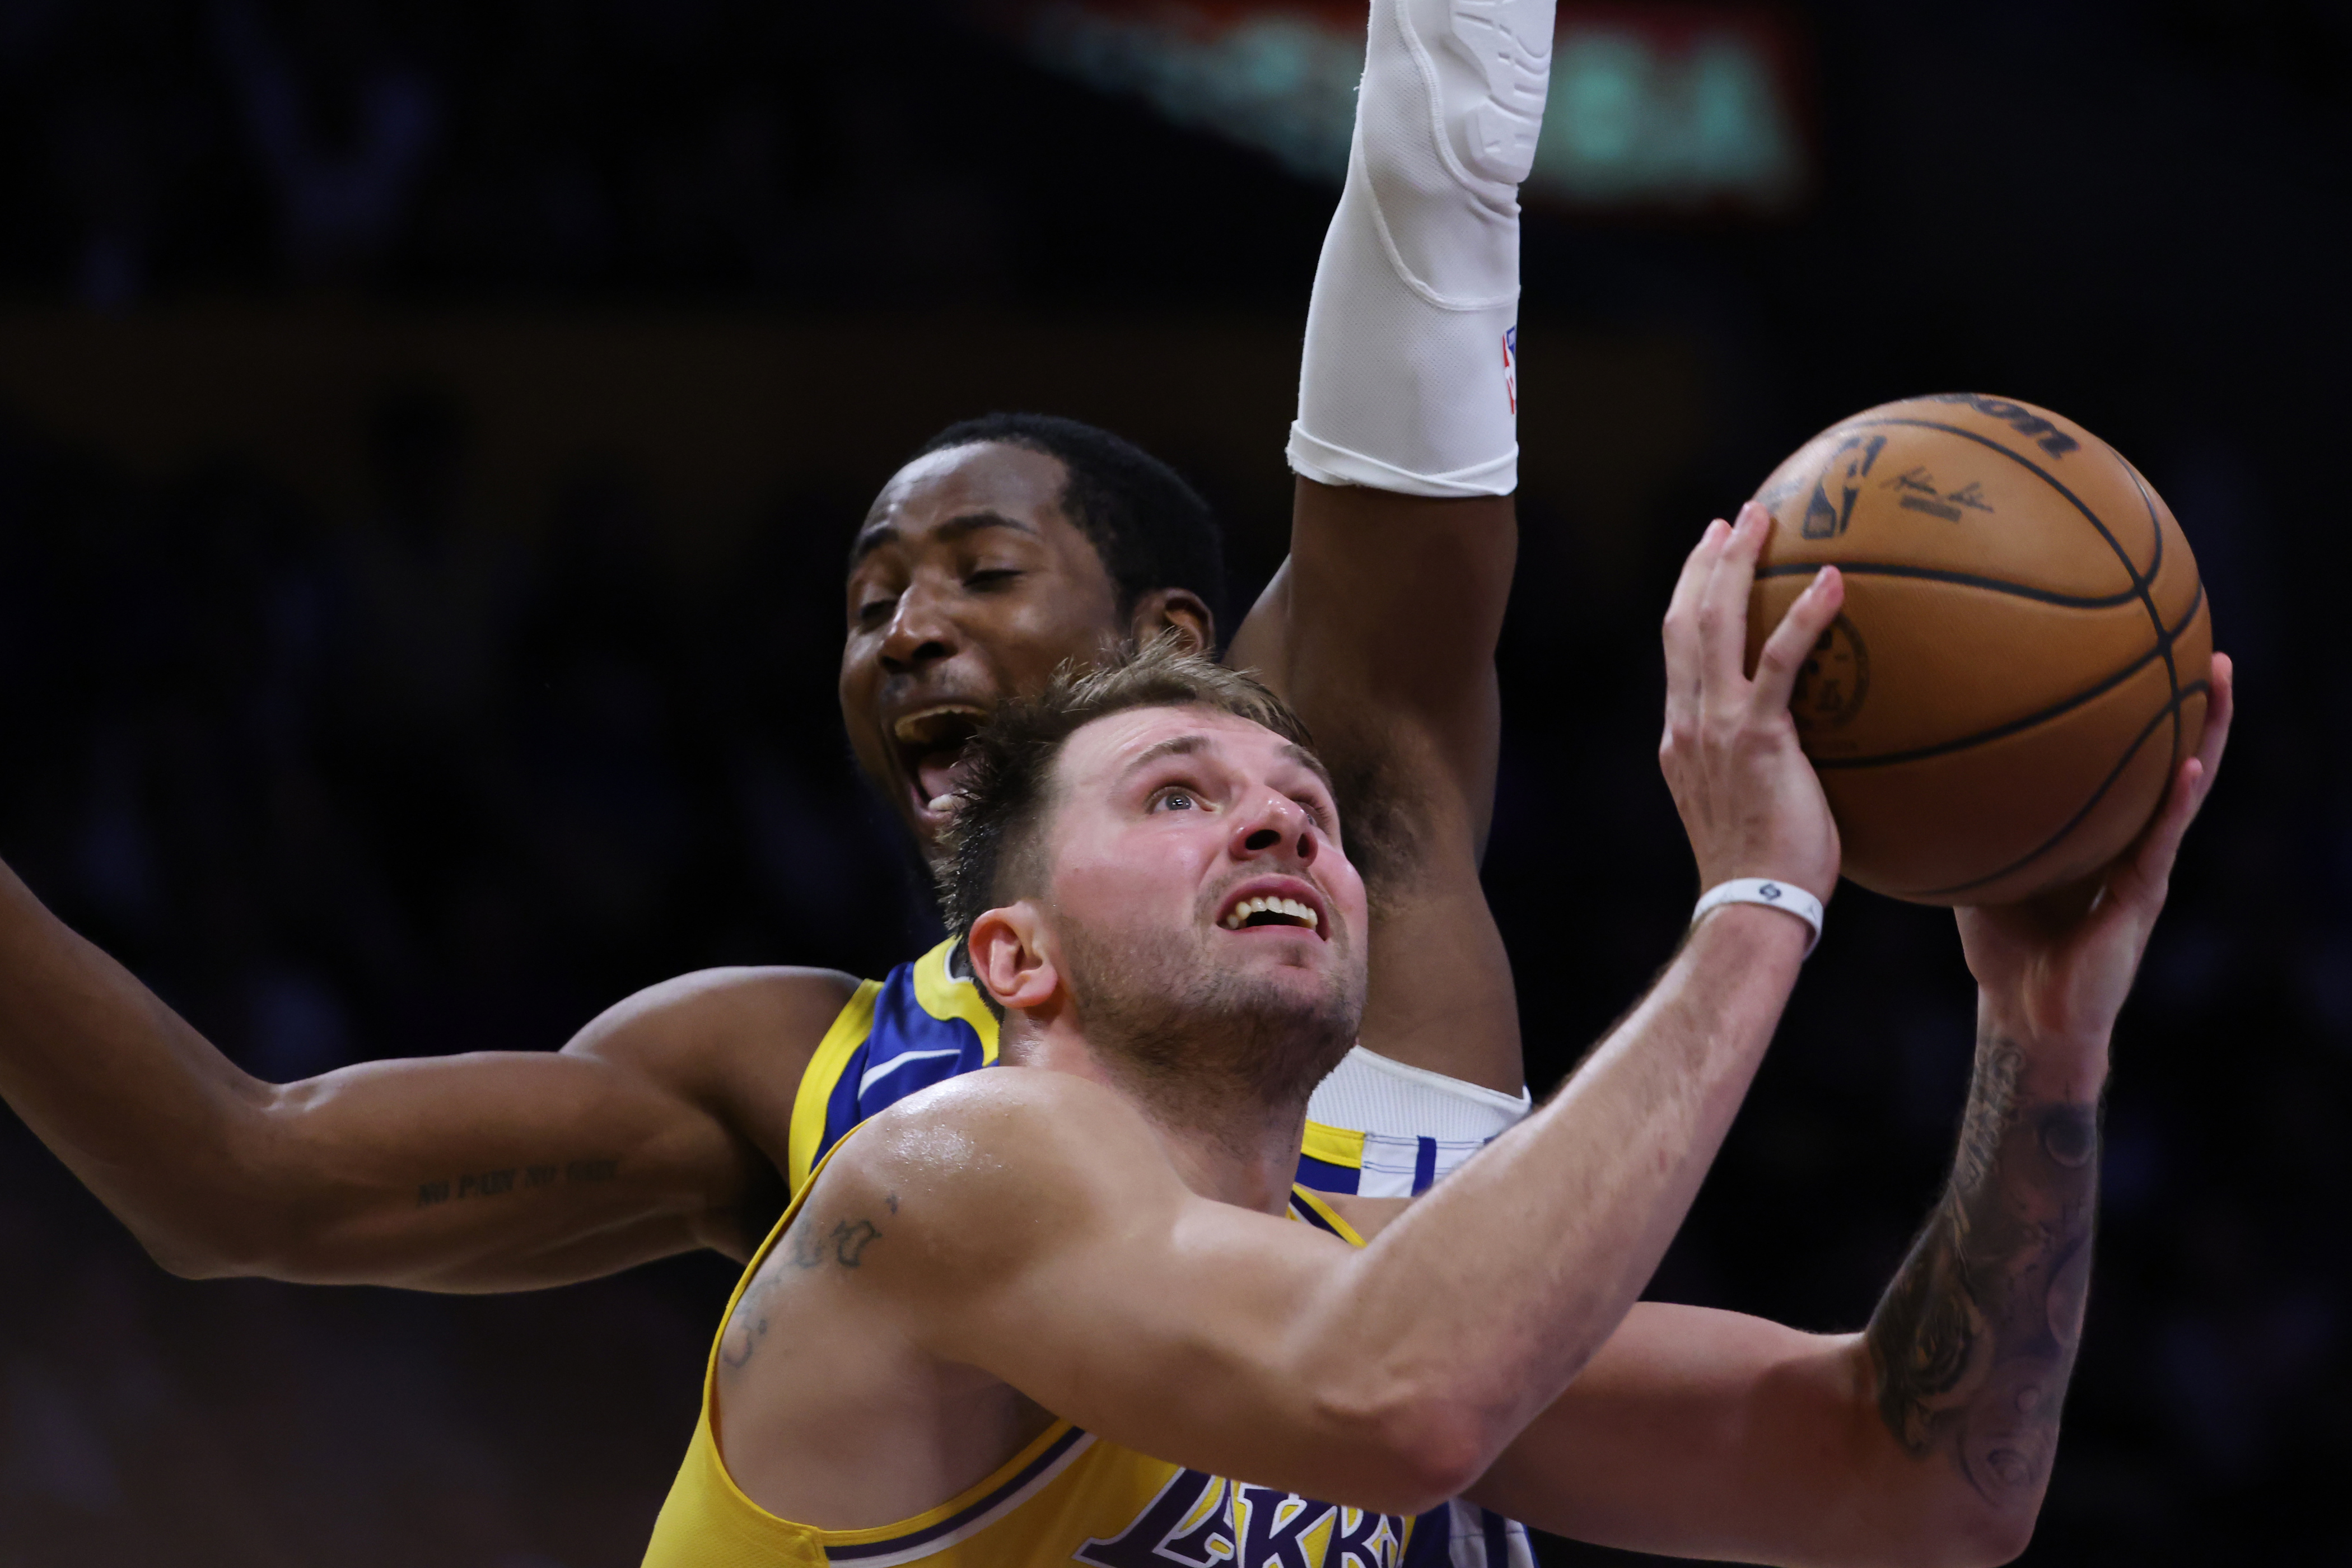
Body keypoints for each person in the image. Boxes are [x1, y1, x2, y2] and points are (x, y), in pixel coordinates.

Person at [0, 0, 1543, 1295]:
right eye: (869, 606)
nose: (907, 630)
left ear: (1171, 638)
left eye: (981, 572)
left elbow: (1442, 188)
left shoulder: (1348, 825)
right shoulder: (787, 1071)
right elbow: (244, 1179)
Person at [644, 583, 2234, 1566]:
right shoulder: (952, 1169)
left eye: (1305, 809)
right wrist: (1758, 904)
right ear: (1015, 959)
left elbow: (1926, 1487)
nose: (1282, 826)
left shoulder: (1369, 1285)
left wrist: (2042, 1038)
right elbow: (1403, 1401)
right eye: (1177, 797)